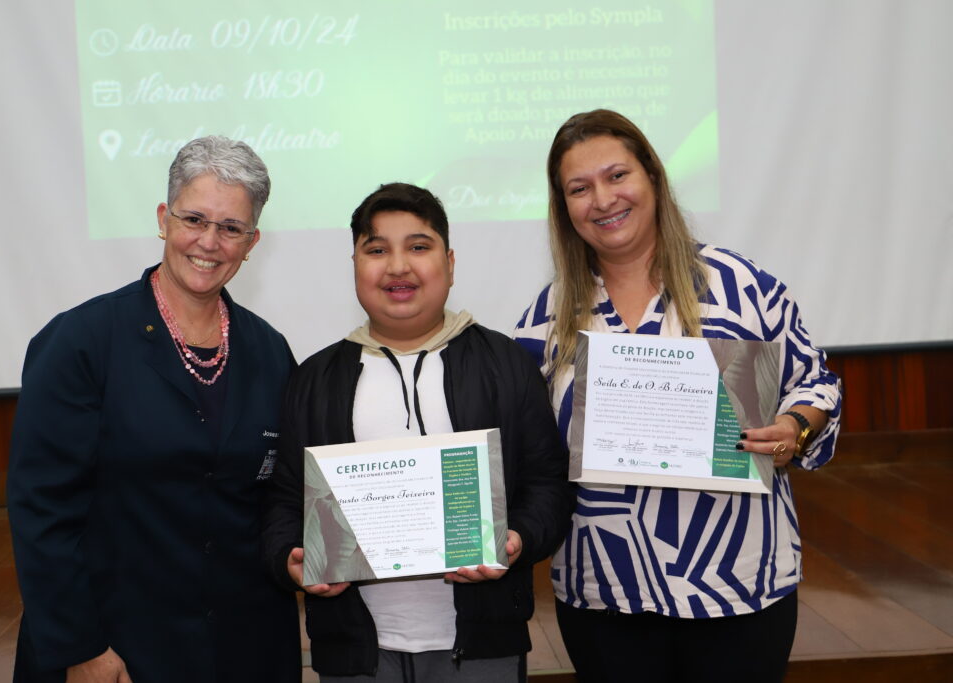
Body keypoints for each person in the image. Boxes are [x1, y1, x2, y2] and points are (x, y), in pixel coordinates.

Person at [512, 110, 842, 683]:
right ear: (563, 207)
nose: (603, 199)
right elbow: (526, 446)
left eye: (618, 176)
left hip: (737, 582)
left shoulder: (740, 286)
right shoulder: (546, 317)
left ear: (654, 179)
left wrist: (796, 429)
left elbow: (817, 383)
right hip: (605, 588)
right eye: (579, 188)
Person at [7, 136, 300, 683]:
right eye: (194, 218)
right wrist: (81, 647)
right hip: (117, 647)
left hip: (245, 644)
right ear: (164, 219)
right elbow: (41, 511)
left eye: (230, 228)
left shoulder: (270, 351)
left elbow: (278, 496)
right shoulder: (81, 342)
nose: (209, 242)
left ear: (252, 240)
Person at [262, 183, 575, 682]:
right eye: (377, 249)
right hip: (354, 649)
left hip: (481, 643)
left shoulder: (506, 365)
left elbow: (548, 485)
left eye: (419, 246)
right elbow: (284, 501)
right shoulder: (315, 379)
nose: (398, 266)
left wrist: (516, 540)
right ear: (355, 265)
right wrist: (289, 559)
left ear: (449, 263)